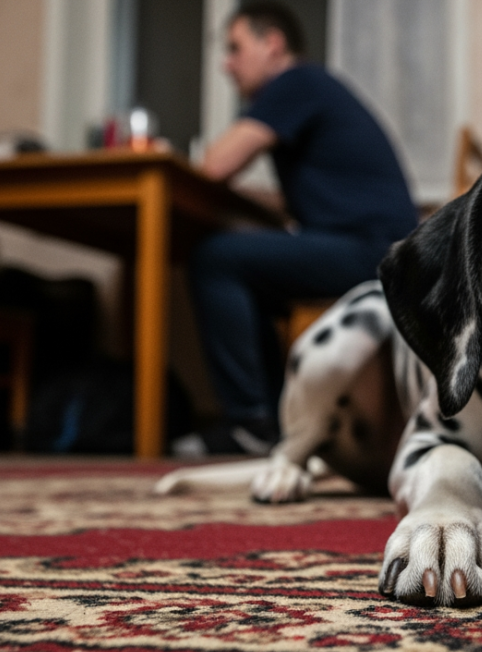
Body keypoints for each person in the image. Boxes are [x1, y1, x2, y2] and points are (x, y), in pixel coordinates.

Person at [189, 1, 417, 455]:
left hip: (371, 250)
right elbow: (296, 200)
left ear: (272, 44)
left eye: (235, 48)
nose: (226, 64)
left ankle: (251, 420)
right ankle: (273, 423)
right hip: (380, 246)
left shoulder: (295, 81)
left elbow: (214, 166)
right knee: (246, 274)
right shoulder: (311, 87)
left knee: (215, 258)